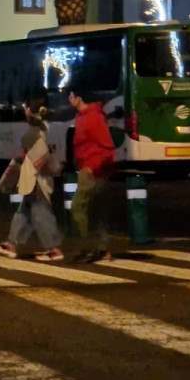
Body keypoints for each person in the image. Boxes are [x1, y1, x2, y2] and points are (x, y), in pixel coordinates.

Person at [0, 103, 64, 262]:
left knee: (41, 214)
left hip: (34, 180)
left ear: (29, 111)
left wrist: (7, 180)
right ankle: (11, 244)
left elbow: (22, 157)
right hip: (38, 180)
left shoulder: (32, 133)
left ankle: (53, 249)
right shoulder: (46, 129)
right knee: (23, 213)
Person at [68, 86, 116, 263]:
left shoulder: (93, 117)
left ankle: (87, 246)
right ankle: (101, 249)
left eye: (71, 96)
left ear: (79, 98)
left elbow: (107, 147)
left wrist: (91, 167)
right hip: (89, 167)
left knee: (78, 206)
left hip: (93, 169)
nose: (69, 99)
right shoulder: (83, 117)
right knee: (94, 209)